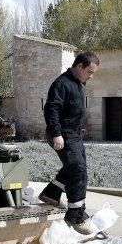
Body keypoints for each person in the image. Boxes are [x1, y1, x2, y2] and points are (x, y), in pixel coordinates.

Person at [39, 52, 99, 234]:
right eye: (89, 72)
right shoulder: (62, 83)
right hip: (63, 134)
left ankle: (51, 193)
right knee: (77, 170)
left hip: (74, 133)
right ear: (79, 66)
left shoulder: (77, 83)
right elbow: (52, 109)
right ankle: (76, 216)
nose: (91, 76)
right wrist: (57, 134)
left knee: (74, 167)